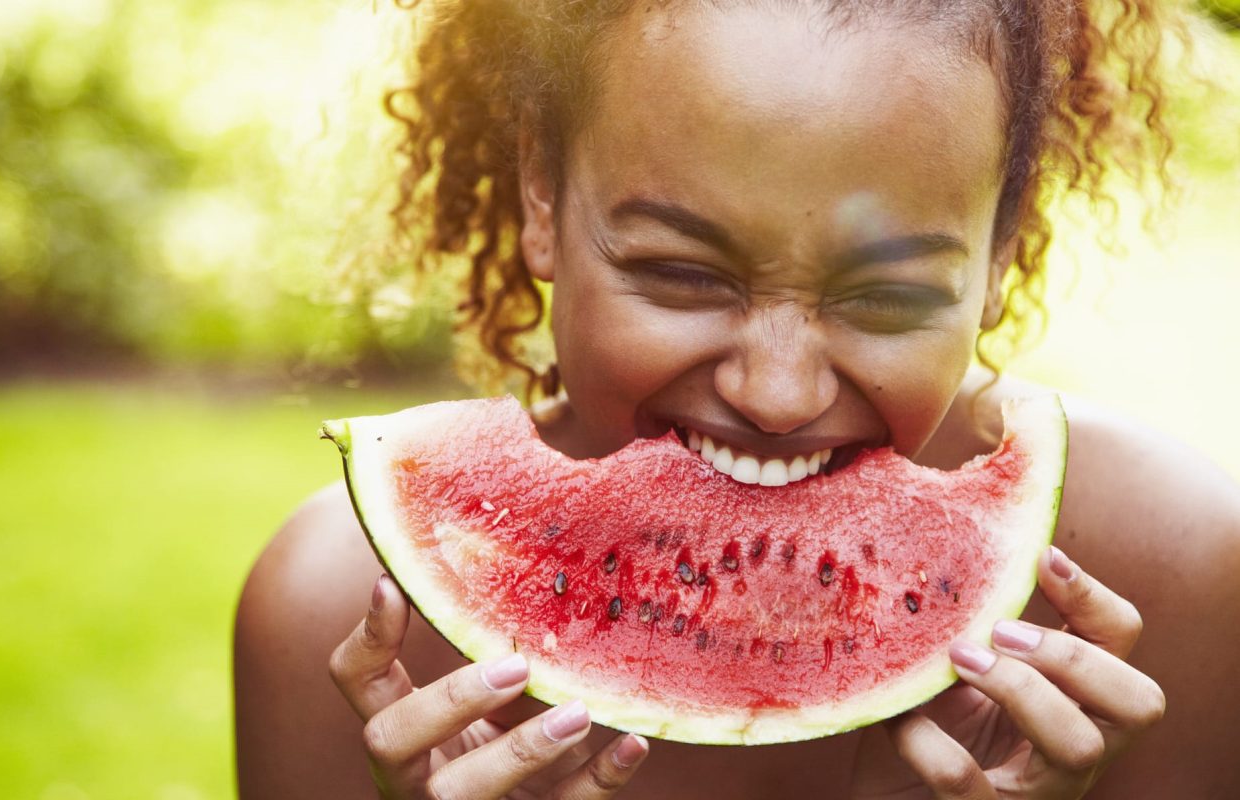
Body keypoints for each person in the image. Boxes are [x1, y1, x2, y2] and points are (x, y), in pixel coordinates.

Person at [234, 0, 1240, 797]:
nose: (777, 393)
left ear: (999, 252)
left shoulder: (1175, 573)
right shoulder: (333, 614)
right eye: (681, 274)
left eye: (886, 296)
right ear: (542, 193)